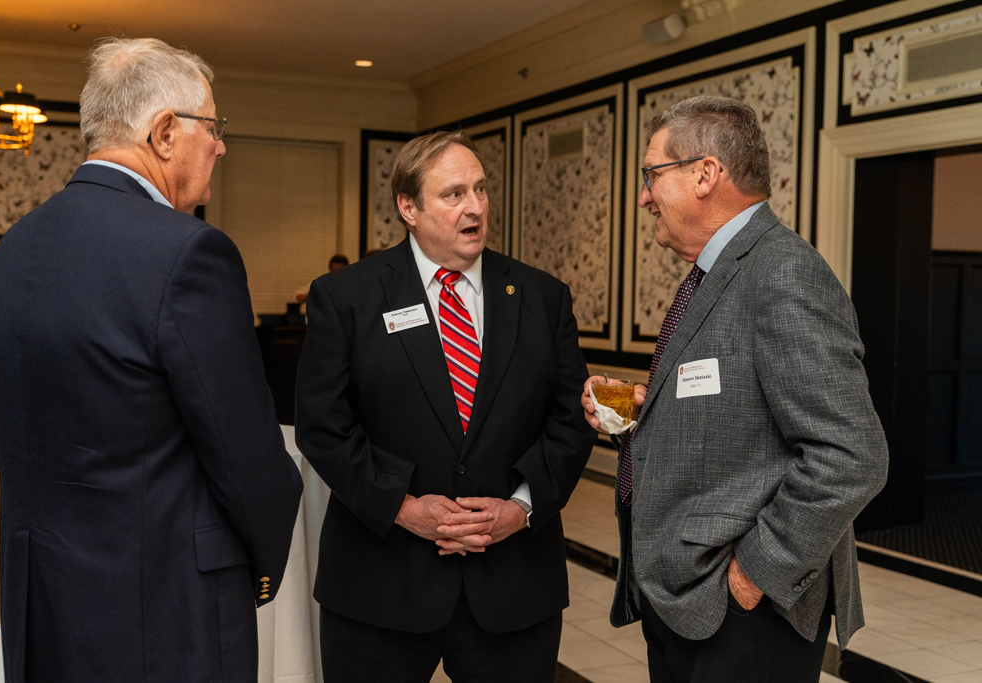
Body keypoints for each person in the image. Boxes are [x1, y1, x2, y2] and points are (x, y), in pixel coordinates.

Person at [0, 38, 303, 683]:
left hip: (42, 601)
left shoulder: (14, 247)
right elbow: (246, 456)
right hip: (162, 608)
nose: (221, 146)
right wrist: (262, 565)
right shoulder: (190, 254)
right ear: (163, 133)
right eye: (213, 126)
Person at [581, 96, 888, 683]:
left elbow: (853, 455)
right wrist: (647, 407)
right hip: (683, 596)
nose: (644, 196)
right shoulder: (715, 272)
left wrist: (753, 574)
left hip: (744, 611)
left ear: (704, 173)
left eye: (652, 175)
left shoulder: (783, 274)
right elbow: (738, 405)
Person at [295, 130, 596, 683]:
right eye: (454, 194)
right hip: (380, 587)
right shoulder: (347, 298)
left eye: (481, 190)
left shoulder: (542, 297)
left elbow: (570, 419)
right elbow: (323, 427)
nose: (476, 207)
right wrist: (404, 507)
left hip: (512, 586)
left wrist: (521, 507)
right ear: (409, 207)